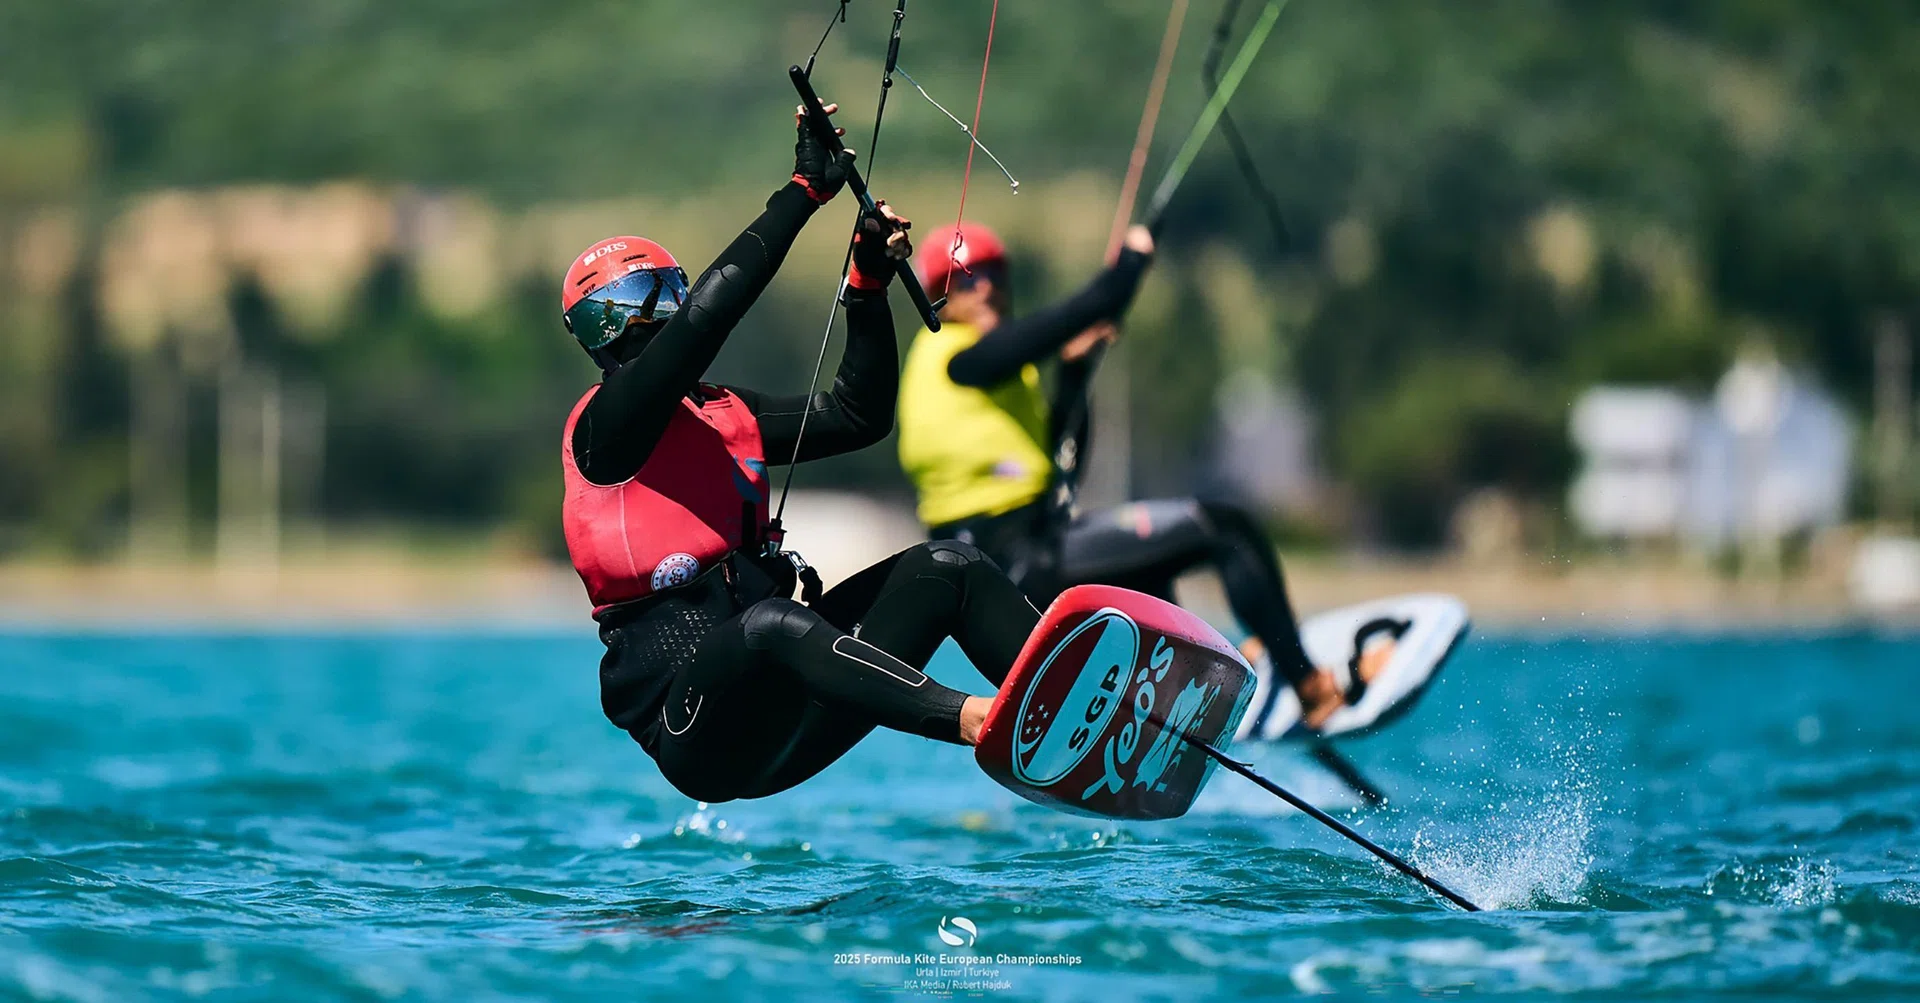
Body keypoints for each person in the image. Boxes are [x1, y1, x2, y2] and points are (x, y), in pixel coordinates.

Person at [560, 103, 1045, 804]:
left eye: (654, 296)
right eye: (611, 311)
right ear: (590, 337)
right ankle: (979, 720)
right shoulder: (605, 435)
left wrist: (868, 288)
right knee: (768, 626)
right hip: (704, 735)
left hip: (805, 702)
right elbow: (704, 324)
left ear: (675, 295)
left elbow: (858, 414)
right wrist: (802, 193)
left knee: (949, 566)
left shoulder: (728, 416)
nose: (638, 320)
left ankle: (1076, 710)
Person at [895, 222, 1392, 730]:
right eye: (968, 277)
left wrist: (1072, 372)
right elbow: (1071, 315)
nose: (987, 286)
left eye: (996, 272)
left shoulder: (988, 373)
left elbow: (1061, 464)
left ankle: (1187, 691)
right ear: (938, 297)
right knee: (1223, 529)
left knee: (1152, 571)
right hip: (1017, 562)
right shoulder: (954, 355)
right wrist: (1129, 267)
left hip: (1034, 552)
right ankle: (1311, 688)